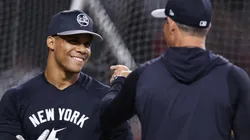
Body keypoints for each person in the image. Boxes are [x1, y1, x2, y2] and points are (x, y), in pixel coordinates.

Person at [100, 0, 250, 140]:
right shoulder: (235, 79)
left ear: (171, 25)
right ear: (208, 27)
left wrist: (120, 83)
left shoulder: (142, 78)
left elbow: (107, 118)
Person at [0, 9, 133, 140]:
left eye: (87, 44)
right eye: (73, 41)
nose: (82, 49)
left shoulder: (105, 101)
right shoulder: (16, 99)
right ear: (51, 42)